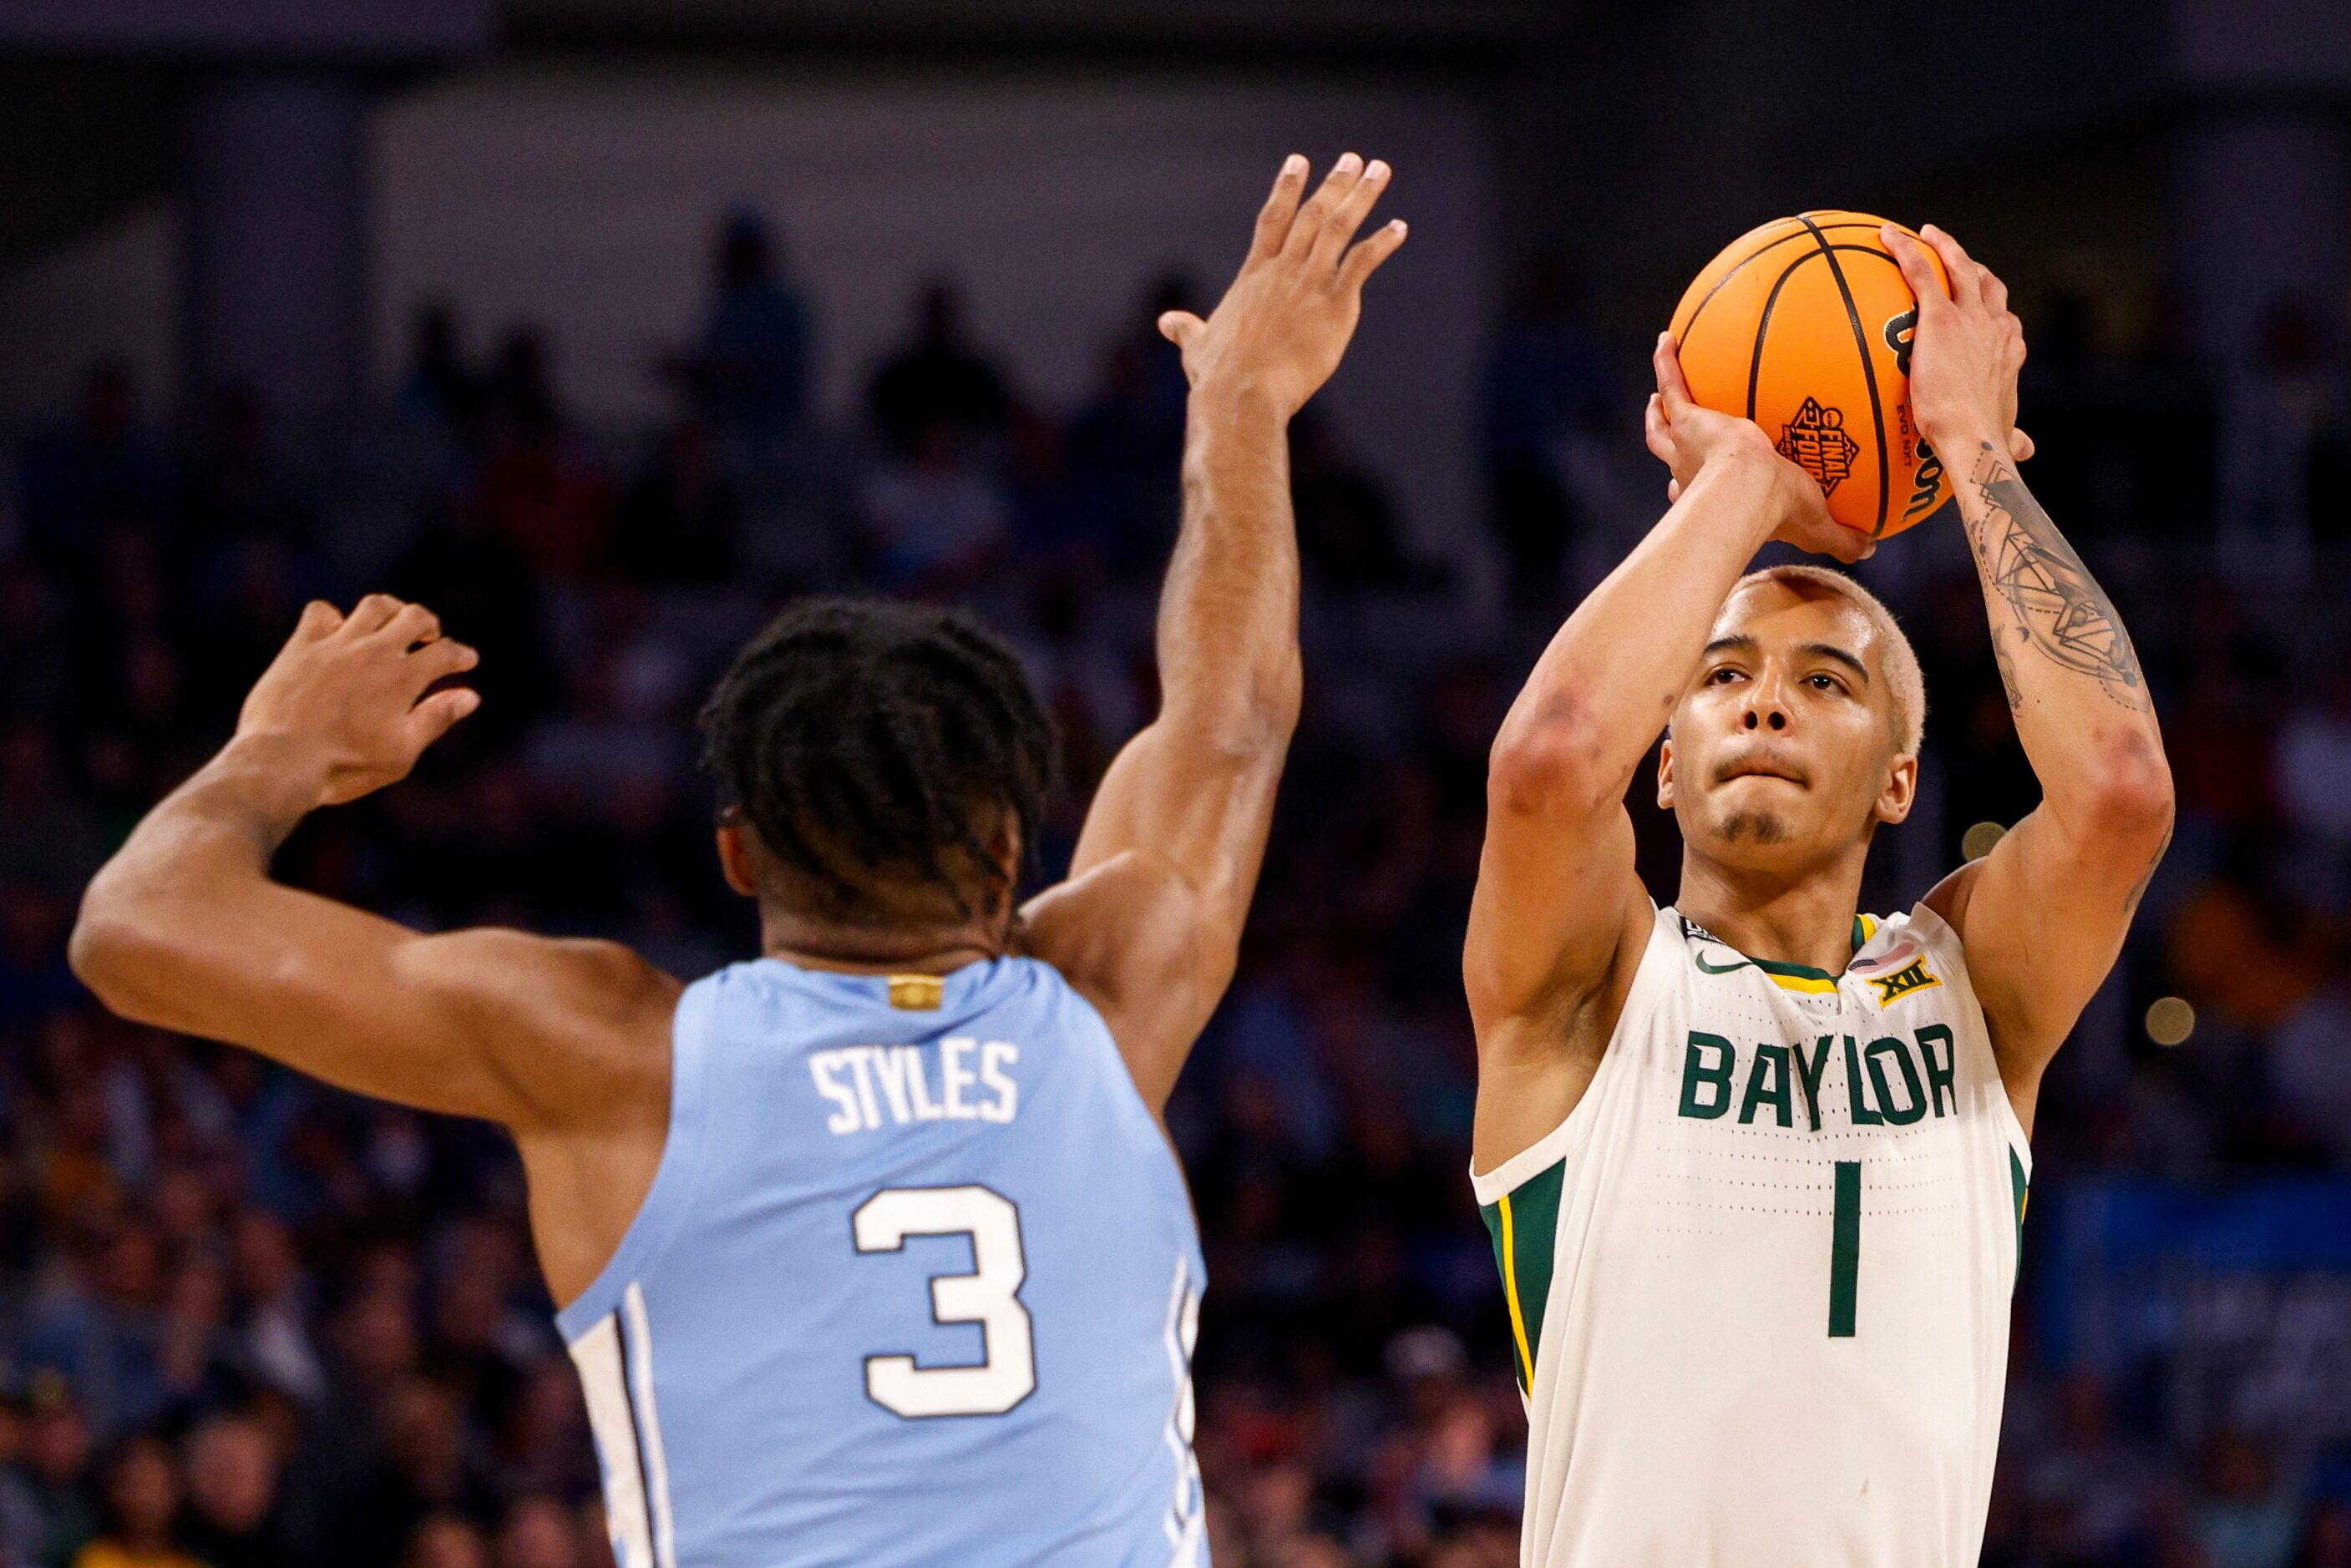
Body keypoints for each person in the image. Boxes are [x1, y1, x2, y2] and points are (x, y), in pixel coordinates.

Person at [68, 153, 1408, 1568]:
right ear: (1012, 841)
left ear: (735, 853)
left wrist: (275, 753)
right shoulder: (1110, 996)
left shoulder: (610, 1052)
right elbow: (1233, 718)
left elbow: (134, 927)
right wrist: (1242, 404)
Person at [1461, 224, 2174, 1565]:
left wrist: (1969, 444)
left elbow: (2123, 791)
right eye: (1722, 674)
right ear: (1662, 764)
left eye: (1828, 681)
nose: (1768, 697)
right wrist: (1735, 484)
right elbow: (1550, 761)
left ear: (1901, 779)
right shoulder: (1591, 998)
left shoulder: (1973, 991)